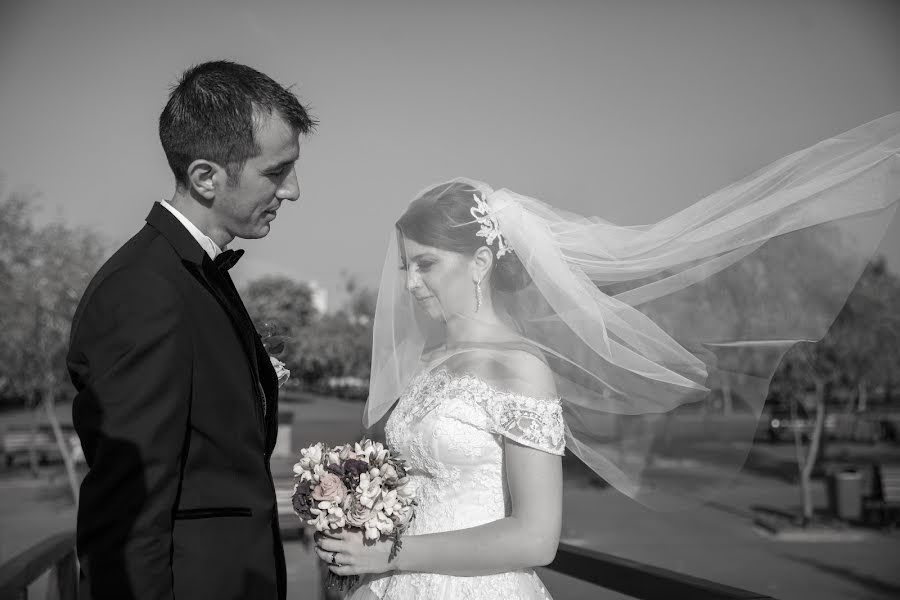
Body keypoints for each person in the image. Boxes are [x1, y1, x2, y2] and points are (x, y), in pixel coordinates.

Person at [314, 112, 900, 599]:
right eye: (405, 267)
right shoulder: (430, 364)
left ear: (481, 263)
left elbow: (536, 538)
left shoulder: (520, 368)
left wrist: (392, 551)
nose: (412, 284)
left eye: (426, 264)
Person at [67, 60, 315, 600]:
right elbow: (127, 517)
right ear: (206, 177)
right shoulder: (144, 291)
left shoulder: (190, 274)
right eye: (276, 172)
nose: (293, 190)